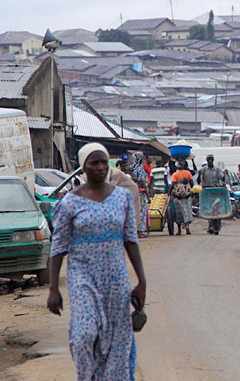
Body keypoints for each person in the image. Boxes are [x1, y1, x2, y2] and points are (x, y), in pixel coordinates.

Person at [47, 143, 147, 380]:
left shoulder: (122, 197)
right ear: (83, 168)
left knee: (117, 342)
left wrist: (142, 281)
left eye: (104, 162)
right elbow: (58, 248)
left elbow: (130, 240)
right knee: (84, 335)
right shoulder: (69, 203)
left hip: (116, 279)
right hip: (83, 277)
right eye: (94, 163)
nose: (101, 167)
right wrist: (53, 289)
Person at [198, 154, 227, 235]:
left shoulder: (217, 170)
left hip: (216, 191)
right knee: (209, 209)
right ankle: (211, 226)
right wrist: (199, 174)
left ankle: (217, 227)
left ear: (213, 160)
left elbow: (222, 178)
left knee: (217, 209)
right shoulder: (203, 170)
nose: (210, 161)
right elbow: (198, 181)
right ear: (206, 160)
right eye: (209, 159)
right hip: (207, 192)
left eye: (211, 159)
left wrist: (225, 175)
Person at [130, 152, 150, 238]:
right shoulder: (140, 169)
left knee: (135, 211)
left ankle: (135, 230)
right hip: (141, 193)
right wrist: (148, 195)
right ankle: (140, 231)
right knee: (142, 212)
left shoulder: (131, 168)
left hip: (134, 192)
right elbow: (142, 182)